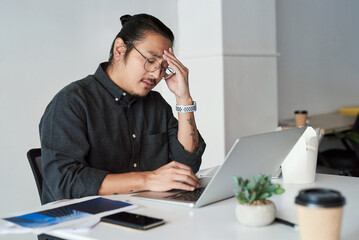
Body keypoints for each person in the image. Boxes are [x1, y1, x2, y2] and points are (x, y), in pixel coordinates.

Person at [39, 13, 206, 204]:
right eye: (151, 60)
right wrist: (149, 179)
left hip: (146, 213)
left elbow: (187, 166)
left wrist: (183, 98)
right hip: (84, 223)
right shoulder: (71, 102)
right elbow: (65, 183)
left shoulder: (156, 104)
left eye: (164, 67)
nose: (156, 74)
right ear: (119, 49)